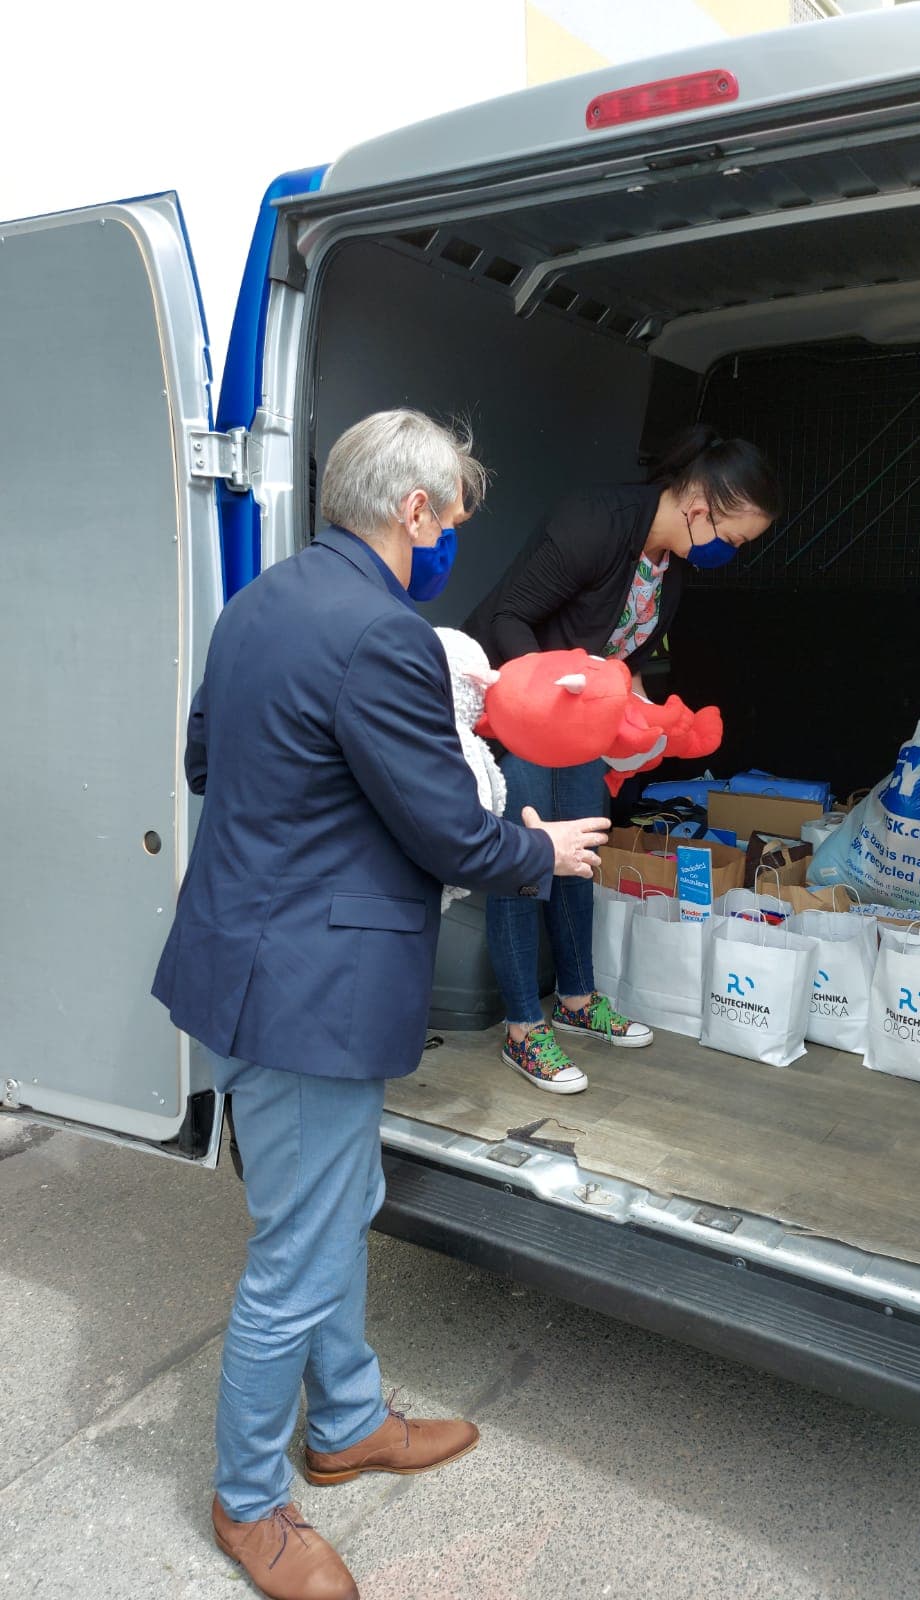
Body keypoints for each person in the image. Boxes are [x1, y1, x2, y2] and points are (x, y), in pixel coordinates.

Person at [151, 410, 610, 1600]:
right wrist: (544, 847)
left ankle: (348, 1422)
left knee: (334, 1207)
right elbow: (448, 829)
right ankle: (249, 1503)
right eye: (451, 514)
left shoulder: (257, 603)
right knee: (298, 1251)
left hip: (250, 959)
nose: (452, 535)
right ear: (414, 511)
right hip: (307, 988)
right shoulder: (384, 634)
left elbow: (209, 762)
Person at [465, 424, 779, 1095]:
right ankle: (522, 1030)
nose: (731, 552)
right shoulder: (595, 521)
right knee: (526, 859)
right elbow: (508, 617)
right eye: (734, 538)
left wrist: (646, 719)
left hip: (579, 725)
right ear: (700, 507)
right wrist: (547, 698)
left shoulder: (671, 570)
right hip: (519, 710)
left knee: (582, 853)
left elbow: (623, 656)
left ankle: (577, 1001)